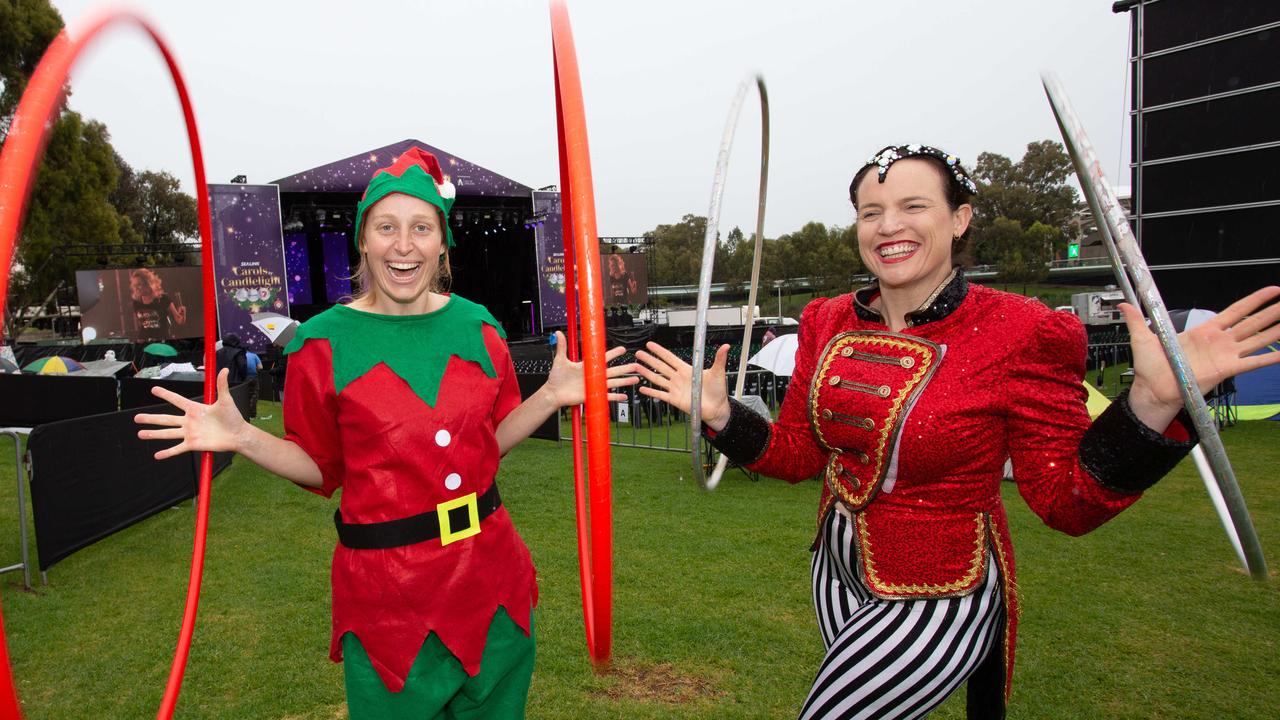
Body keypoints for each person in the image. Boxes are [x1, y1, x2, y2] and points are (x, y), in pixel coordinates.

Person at [634, 143, 1280, 720]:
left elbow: (1067, 500)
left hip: (943, 587)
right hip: (836, 570)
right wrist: (722, 416)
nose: (889, 225)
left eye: (913, 205)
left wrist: (1150, 402)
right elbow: (802, 455)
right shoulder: (827, 318)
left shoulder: (1023, 329)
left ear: (959, 218)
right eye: (870, 210)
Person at [135, 147, 636, 719]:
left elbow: (486, 445)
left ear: (442, 243)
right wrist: (244, 436)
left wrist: (548, 396)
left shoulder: (480, 327)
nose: (404, 245)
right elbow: (321, 467)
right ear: (364, 241)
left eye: (421, 228)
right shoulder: (321, 344)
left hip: (491, 581)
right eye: (387, 228)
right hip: (388, 602)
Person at [129, 267, 187, 340]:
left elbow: (179, 321)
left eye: (140, 284)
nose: (137, 288)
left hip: (162, 341)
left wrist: (183, 315)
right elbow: (142, 325)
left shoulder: (163, 299)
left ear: (148, 283)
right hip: (144, 341)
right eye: (135, 285)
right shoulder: (136, 302)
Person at [243, 346, 263, 418]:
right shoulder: (254, 355)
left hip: (244, 379)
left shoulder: (242, 356)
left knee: (245, 395)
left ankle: (245, 413)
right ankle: (253, 414)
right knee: (254, 395)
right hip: (254, 377)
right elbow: (260, 367)